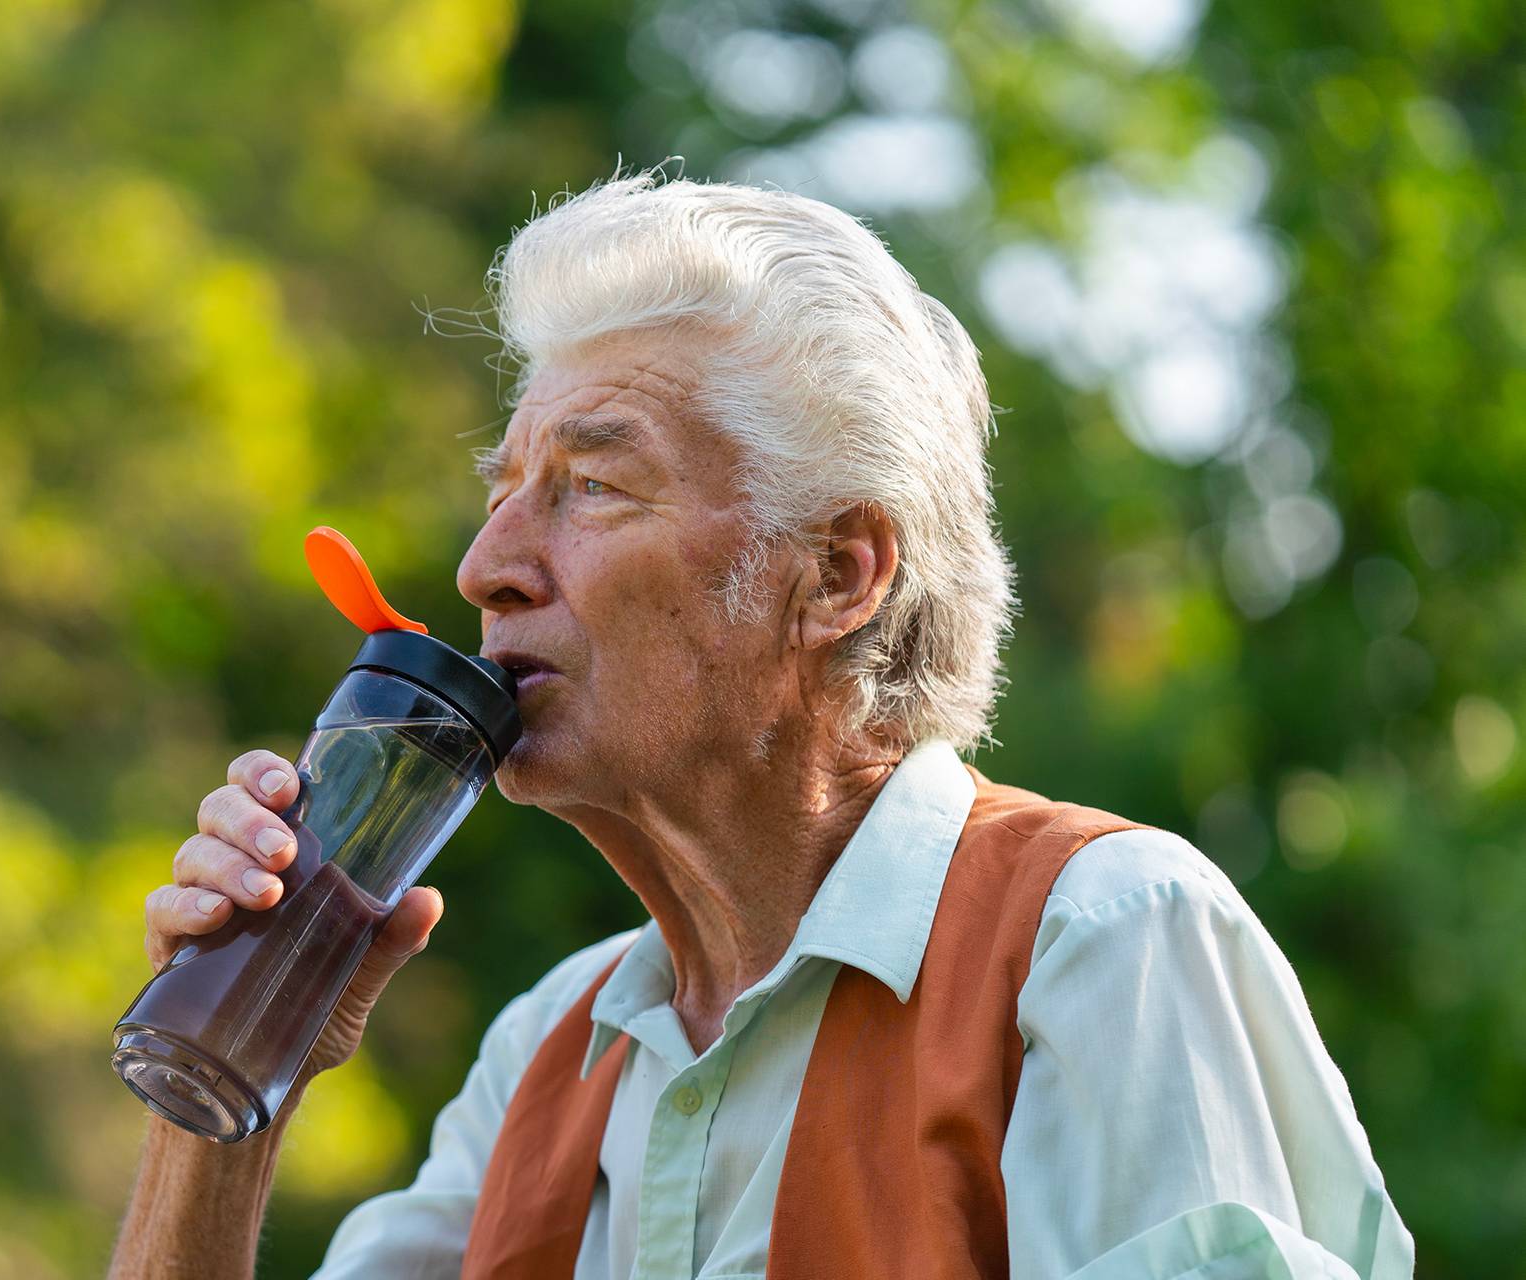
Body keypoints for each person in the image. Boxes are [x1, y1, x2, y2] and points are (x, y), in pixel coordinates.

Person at [107, 175, 1411, 1279]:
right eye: (504, 490)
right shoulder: (544, 1058)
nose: (486, 563)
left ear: (838, 575)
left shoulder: (1100, 942)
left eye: (594, 485)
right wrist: (229, 1073)